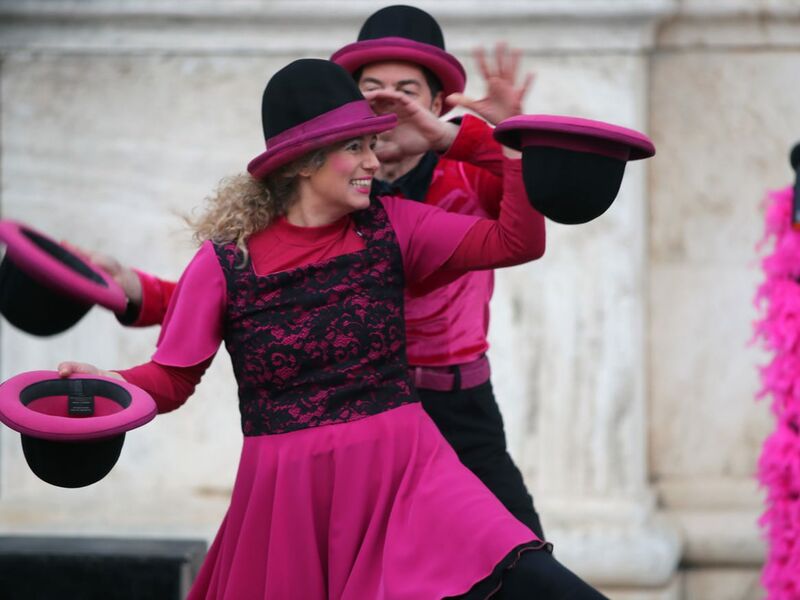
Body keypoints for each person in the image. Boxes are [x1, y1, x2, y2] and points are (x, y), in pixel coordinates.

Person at [58, 59, 607, 599]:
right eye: (356, 147)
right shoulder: (224, 264)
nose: (374, 159)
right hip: (291, 500)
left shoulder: (395, 225)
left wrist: (501, 143)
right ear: (302, 162)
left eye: (371, 144)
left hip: (411, 475)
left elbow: (517, 242)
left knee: (539, 585)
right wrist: (107, 384)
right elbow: (171, 377)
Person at [89, 5, 546, 539]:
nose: (390, 102)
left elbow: (528, 221)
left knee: (519, 555)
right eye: (371, 89)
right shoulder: (325, 201)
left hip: (456, 405)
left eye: (406, 90)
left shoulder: (464, 174)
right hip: (366, 417)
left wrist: (470, 137)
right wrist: (134, 295)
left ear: (436, 104)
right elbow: (265, 304)